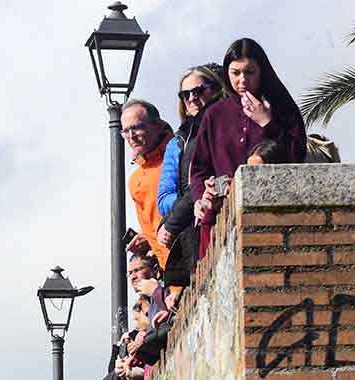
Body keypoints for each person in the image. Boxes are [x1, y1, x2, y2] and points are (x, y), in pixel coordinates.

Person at [190, 39, 307, 258]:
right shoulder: (215, 114)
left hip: (270, 216)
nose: (242, 80)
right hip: (222, 217)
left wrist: (267, 122)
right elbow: (199, 168)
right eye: (235, 73)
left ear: (262, 72)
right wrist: (202, 196)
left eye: (250, 72)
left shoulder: (281, 107)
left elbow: (296, 154)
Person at [157, 64, 226, 286]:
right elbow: (169, 195)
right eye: (185, 94)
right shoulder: (182, 136)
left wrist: (171, 223)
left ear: (216, 88)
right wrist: (170, 221)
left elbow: (204, 180)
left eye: (198, 91)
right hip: (191, 224)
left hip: (213, 218)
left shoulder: (217, 124)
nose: (191, 98)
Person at [121, 99, 175, 268]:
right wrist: (146, 238)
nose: (131, 136)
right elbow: (151, 228)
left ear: (157, 126)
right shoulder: (135, 180)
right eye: (126, 131)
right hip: (170, 271)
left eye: (137, 128)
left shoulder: (179, 153)